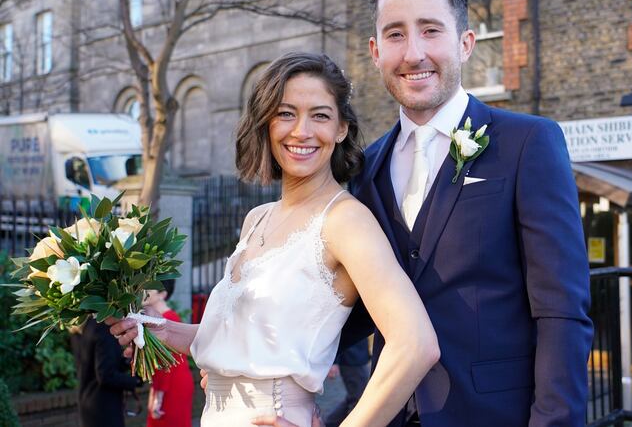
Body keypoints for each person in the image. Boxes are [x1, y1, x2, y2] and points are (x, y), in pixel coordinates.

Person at [109, 52, 440, 427]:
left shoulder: (345, 220)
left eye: (320, 115)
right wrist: (166, 330)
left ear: (341, 128)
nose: (301, 130)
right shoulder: (257, 218)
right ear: (265, 123)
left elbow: (415, 345)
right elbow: (250, 342)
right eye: (286, 113)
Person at [339, 0, 594, 425]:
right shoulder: (367, 167)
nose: (414, 52)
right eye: (396, 33)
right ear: (376, 51)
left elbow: (561, 311)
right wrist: (258, 361)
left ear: (465, 43)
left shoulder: (528, 142)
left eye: (431, 30)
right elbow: (357, 312)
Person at [70, 318, 142, 427]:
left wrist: (127, 362)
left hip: (87, 402)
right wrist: (135, 381)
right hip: (105, 406)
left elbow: (96, 364)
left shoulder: (81, 326)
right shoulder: (103, 326)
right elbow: (106, 375)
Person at [142, 280, 194, 427]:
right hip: (167, 382)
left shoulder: (168, 318)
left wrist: (158, 395)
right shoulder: (162, 318)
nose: (144, 291)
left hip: (172, 384)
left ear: (162, 294)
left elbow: (167, 362)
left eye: (149, 289)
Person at [324, 338, 371, 427]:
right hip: (350, 358)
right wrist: (333, 361)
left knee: (355, 397)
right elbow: (337, 332)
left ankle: (328, 423)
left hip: (358, 356)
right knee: (359, 400)